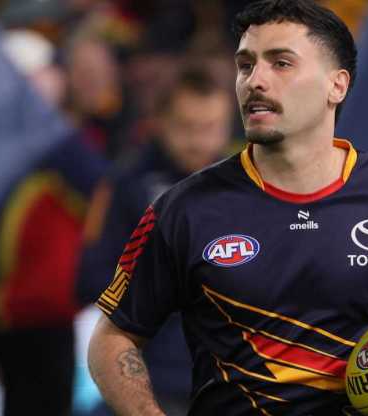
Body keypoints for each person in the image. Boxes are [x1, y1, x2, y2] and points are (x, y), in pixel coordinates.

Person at [87, 1, 368, 415]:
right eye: (246, 64)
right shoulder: (184, 209)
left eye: (281, 63)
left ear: (337, 86)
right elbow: (113, 338)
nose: (255, 80)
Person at [77, 64, 234, 416]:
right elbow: (90, 277)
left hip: (231, 384)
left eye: (210, 127)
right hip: (149, 381)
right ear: (161, 120)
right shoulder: (127, 185)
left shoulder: (247, 185)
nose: (198, 140)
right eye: (187, 127)